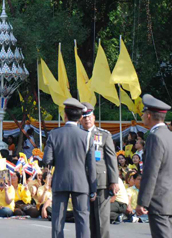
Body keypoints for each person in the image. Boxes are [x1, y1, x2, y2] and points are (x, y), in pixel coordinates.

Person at [43, 98, 97, 238]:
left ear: (65, 115)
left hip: (60, 180)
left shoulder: (54, 134)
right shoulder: (86, 137)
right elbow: (91, 166)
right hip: (81, 182)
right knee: (82, 219)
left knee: (58, 220)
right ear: (80, 118)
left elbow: (47, 160)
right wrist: (93, 188)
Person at [136, 94, 172, 238]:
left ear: (149, 115)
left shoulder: (155, 137)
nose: (142, 116)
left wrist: (142, 202)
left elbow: (151, 173)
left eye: (143, 113)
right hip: (170, 198)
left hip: (158, 201)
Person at [80, 102, 119, 238]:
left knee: (102, 220)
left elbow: (111, 159)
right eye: (84, 117)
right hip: (82, 181)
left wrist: (114, 181)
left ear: (94, 117)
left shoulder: (104, 135)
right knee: (88, 220)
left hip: (100, 181)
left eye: (89, 116)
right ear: (80, 118)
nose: (87, 119)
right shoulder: (77, 134)